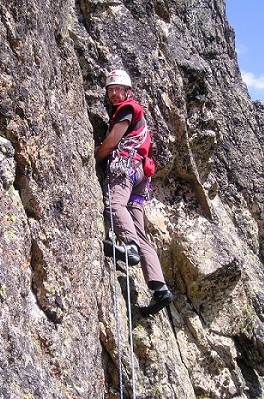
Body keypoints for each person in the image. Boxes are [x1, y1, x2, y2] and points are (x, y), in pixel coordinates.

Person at [95, 69, 173, 316]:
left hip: (126, 165)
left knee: (114, 204)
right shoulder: (135, 113)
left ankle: (129, 247)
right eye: (111, 90)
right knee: (141, 232)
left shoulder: (128, 108)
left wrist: (96, 156)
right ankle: (160, 289)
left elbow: (113, 140)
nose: (115, 94)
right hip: (141, 175)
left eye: (118, 89)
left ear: (128, 91)